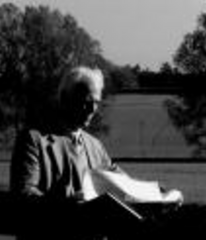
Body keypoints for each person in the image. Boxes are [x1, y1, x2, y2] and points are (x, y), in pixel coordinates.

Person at [9, 66, 129, 240]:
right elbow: (23, 200)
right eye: (86, 101)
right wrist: (70, 205)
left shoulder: (96, 147)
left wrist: (157, 197)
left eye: (97, 102)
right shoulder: (33, 140)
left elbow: (124, 185)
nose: (92, 109)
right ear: (65, 99)